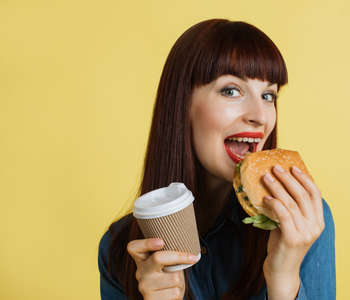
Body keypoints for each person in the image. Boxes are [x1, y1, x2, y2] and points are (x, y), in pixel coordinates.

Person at [98, 18, 336, 300]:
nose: (260, 116)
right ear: (182, 104)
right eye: (231, 91)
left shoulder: (302, 220)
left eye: (268, 95)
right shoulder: (121, 248)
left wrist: (284, 279)